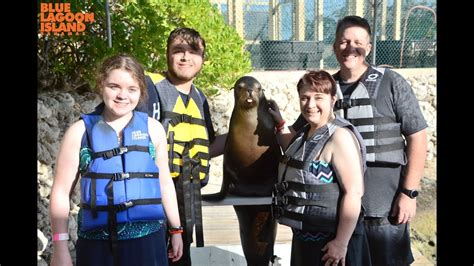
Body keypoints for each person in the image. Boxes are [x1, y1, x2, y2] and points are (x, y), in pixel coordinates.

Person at [271, 15, 428, 266]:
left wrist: (409, 193)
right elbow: (298, 141)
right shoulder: (324, 90)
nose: (350, 47)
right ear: (334, 46)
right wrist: (277, 122)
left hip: (383, 206)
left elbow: (418, 136)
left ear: (368, 47)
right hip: (337, 214)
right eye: (344, 41)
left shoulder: (391, 82)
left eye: (358, 42)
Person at [49, 54, 183, 266]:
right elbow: (60, 192)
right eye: (114, 86)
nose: (123, 95)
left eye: (132, 89)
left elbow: (164, 183)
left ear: (141, 92)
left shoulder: (153, 130)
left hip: (149, 242)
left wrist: (176, 229)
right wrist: (60, 248)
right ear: (102, 84)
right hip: (97, 247)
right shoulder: (79, 132)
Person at [137, 27, 226, 266]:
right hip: (151, 196)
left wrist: (241, 136)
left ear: (202, 59)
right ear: (167, 54)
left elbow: (206, 146)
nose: (186, 57)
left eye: (193, 51)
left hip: (186, 195)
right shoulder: (148, 88)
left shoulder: (200, 98)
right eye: (178, 50)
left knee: (181, 259)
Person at [270, 70, 371, 266]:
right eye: (304, 98)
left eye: (318, 98)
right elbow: (298, 161)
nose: (310, 105)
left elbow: (354, 192)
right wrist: (280, 123)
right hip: (304, 241)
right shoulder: (304, 134)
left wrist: (341, 243)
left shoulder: (339, 137)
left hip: (332, 247)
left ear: (333, 99)